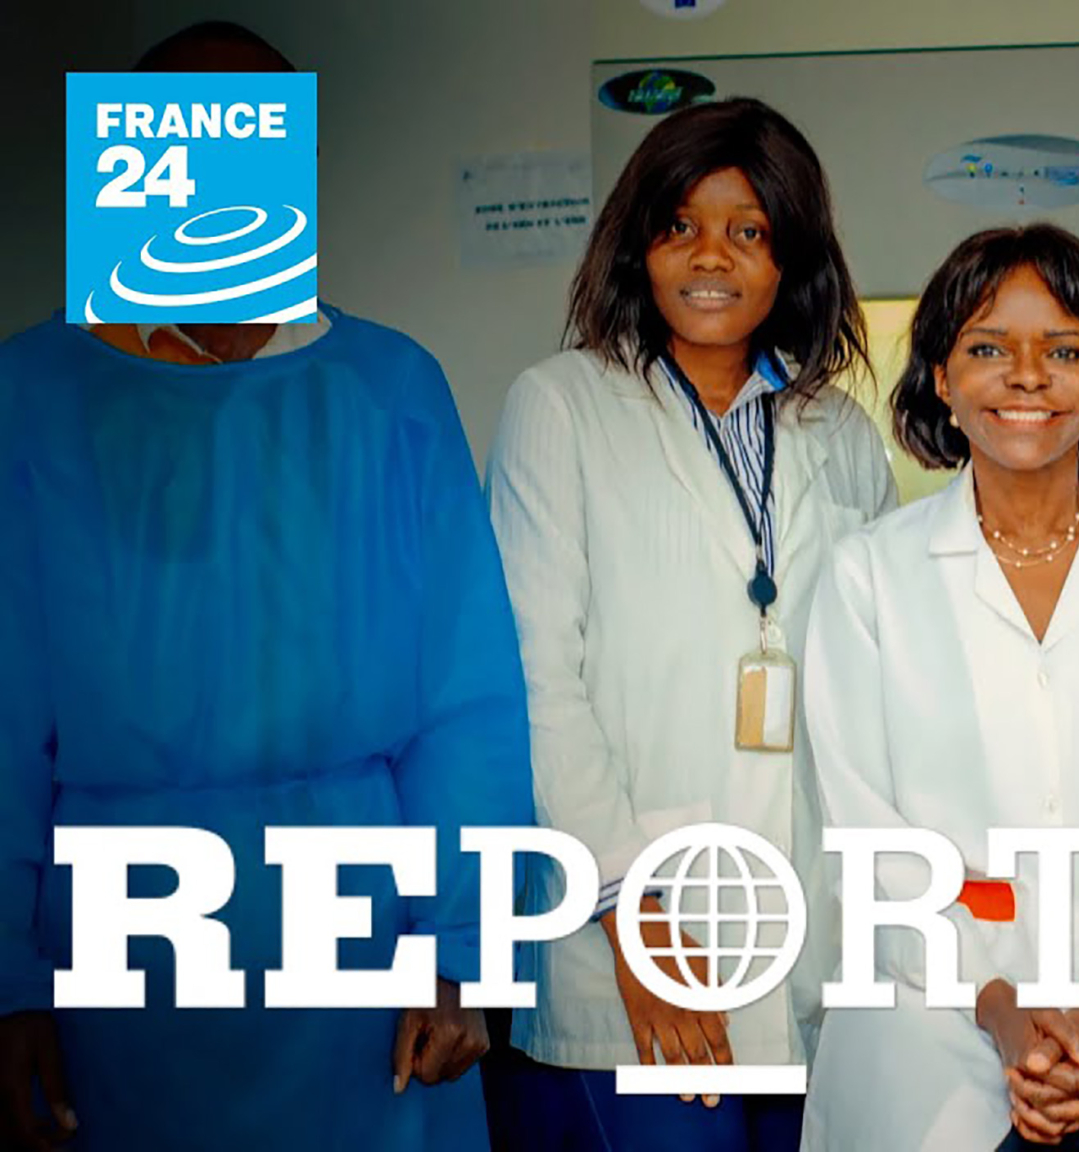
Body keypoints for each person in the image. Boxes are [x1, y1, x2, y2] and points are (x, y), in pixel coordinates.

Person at [0, 21, 533, 1152]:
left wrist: (462, 950)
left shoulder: (389, 387)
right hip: (117, 954)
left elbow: (469, 706)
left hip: (365, 949)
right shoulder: (32, 393)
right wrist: (10, 980)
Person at [484, 96, 896, 1152]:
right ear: (638, 244)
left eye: (747, 231)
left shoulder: (835, 430)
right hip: (629, 945)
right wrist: (633, 912)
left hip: (809, 954)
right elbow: (536, 680)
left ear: (788, 257)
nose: (710, 257)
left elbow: (880, 685)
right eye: (679, 226)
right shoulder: (560, 405)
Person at [798, 224, 1079, 1151]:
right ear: (940, 381)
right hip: (930, 1002)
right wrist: (1001, 1004)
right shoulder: (869, 577)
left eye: (1065, 350)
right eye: (989, 348)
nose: (1028, 375)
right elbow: (867, 832)